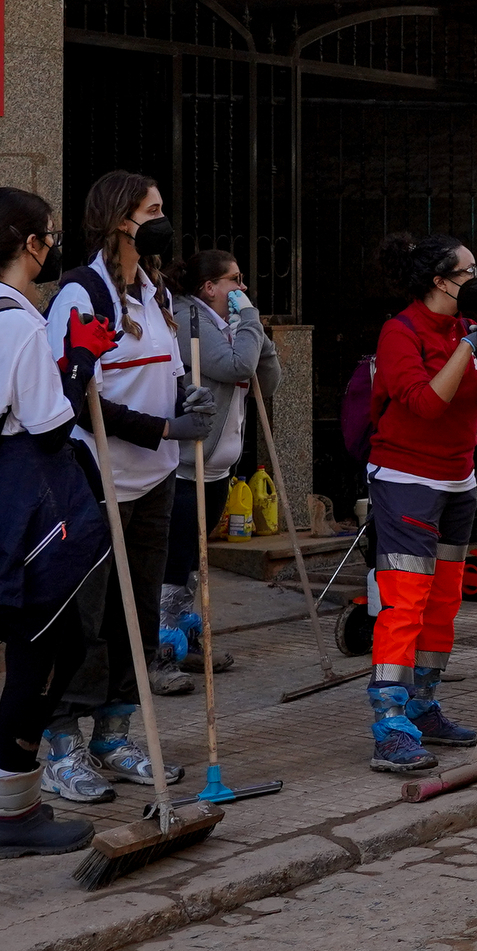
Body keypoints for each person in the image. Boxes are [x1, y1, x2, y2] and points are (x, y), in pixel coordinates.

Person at [0, 189, 105, 858]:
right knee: (43, 651)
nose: (54, 245)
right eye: (50, 235)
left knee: (35, 647)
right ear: (30, 244)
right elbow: (52, 424)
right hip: (32, 495)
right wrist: (80, 364)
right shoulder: (23, 320)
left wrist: (62, 365)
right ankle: (11, 815)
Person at [46, 170, 214, 799]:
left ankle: (113, 735)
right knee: (84, 620)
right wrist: (163, 426)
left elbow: (164, 372)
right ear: (122, 219)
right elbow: (74, 396)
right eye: (154, 209)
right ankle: (60, 742)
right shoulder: (81, 294)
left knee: (139, 615)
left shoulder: (157, 292)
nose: (163, 218)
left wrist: (184, 399)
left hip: (156, 480)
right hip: (98, 479)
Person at [360, 232, 477, 772]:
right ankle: (388, 722)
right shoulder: (399, 333)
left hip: (459, 480)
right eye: (467, 272)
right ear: (439, 281)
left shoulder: (467, 328)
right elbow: (425, 403)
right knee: (405, 600)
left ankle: (424, 706)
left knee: (444, 601)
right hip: (406, 479)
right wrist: (469, 349)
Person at [161, 249, 279, 678]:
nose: (242, 289)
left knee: (194, 559)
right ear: (209, 287)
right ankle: (162, 649)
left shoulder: (229, 323)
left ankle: (182, 635)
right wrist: (249, 324)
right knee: (174, 561)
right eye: (235, 280)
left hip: (217, 469)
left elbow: (266, 381)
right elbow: (233, 366)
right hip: (184, 468)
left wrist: (258, 338)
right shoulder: (189, 319)